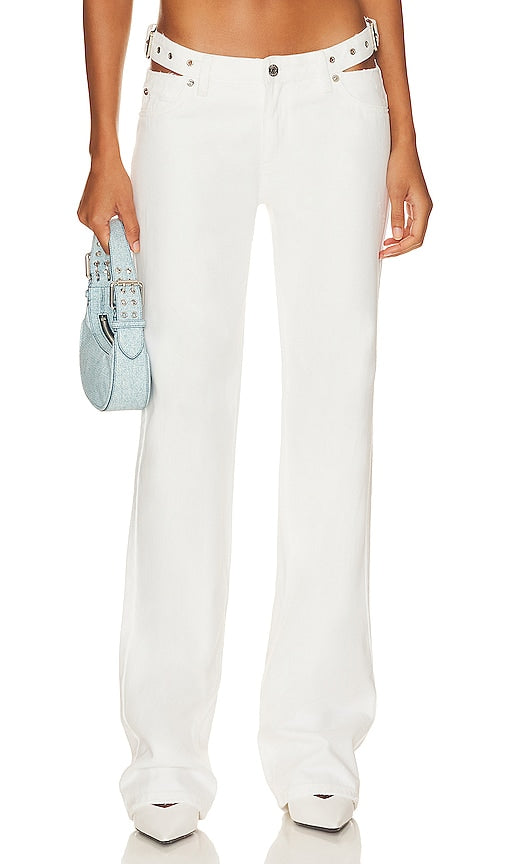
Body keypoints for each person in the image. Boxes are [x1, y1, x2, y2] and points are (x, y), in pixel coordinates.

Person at [77, 0, 432, 845]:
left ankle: (317, 745)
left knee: (334, 425)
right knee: (181, 432)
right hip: (191, 93)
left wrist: (404, 132)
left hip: (339, 89)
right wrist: (102, 148)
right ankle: (166, 758)